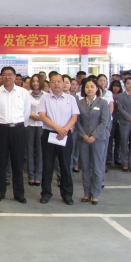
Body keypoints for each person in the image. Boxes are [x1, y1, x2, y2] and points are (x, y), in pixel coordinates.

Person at [0, 66, 30, 204]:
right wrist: (1, 124)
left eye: (10, 74)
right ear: (1, 77)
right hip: (1, 130)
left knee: (18, 163)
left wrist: (18, 124)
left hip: (18, 129)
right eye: (4, 74)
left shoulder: (23, 92)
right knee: (1, 163)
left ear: (15, 76)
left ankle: (19, 194)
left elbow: (26, 113)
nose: (7, 77)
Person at [38, 73, 79, 205]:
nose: (56, 84)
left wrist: (64, 129)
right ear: (49, 83)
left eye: (59, 81)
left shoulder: (70, 98)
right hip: (49, 134)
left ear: (63, 83)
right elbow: (42, 116)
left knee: (65, 165)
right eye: (53, 81)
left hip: (65, 135)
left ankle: (67, 194)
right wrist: (57, 128)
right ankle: (46, 193)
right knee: (47, 165)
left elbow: (74, 116)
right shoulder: (44, 98)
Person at [75, 78, 109, 205]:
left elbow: (104, 122)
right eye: (87, 86)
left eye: (92, 86)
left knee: (97, 168)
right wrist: (84, 135)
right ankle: (86, 193)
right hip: (83, 139)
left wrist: (94, 136)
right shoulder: (79, 103)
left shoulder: (103, 103)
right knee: (85, 167)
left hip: (98, 140)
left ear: (97, 89)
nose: (89, 89)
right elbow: (77, 121)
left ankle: (95, 194)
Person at [27, 74, 45, 186]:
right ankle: (31, 175)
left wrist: (42, 116)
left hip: (42, 125)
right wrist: (30, 114)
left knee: (40, 151)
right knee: (29, 150)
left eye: (38, 81)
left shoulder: (47, 95)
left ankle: (38, 175)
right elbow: (22, 108)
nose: (35, 83)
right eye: (33, 81)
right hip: (29, 124)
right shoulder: (26, 94)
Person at [107, 79, 122, 166]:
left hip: (120, 120)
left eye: (117, 86)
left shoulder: (122, 96)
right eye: (114, 86)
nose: (116, 88)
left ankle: (117, 158)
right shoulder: (109, 95)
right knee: (109, 139)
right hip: (111, 119)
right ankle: (109, 158)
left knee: (118, 140)